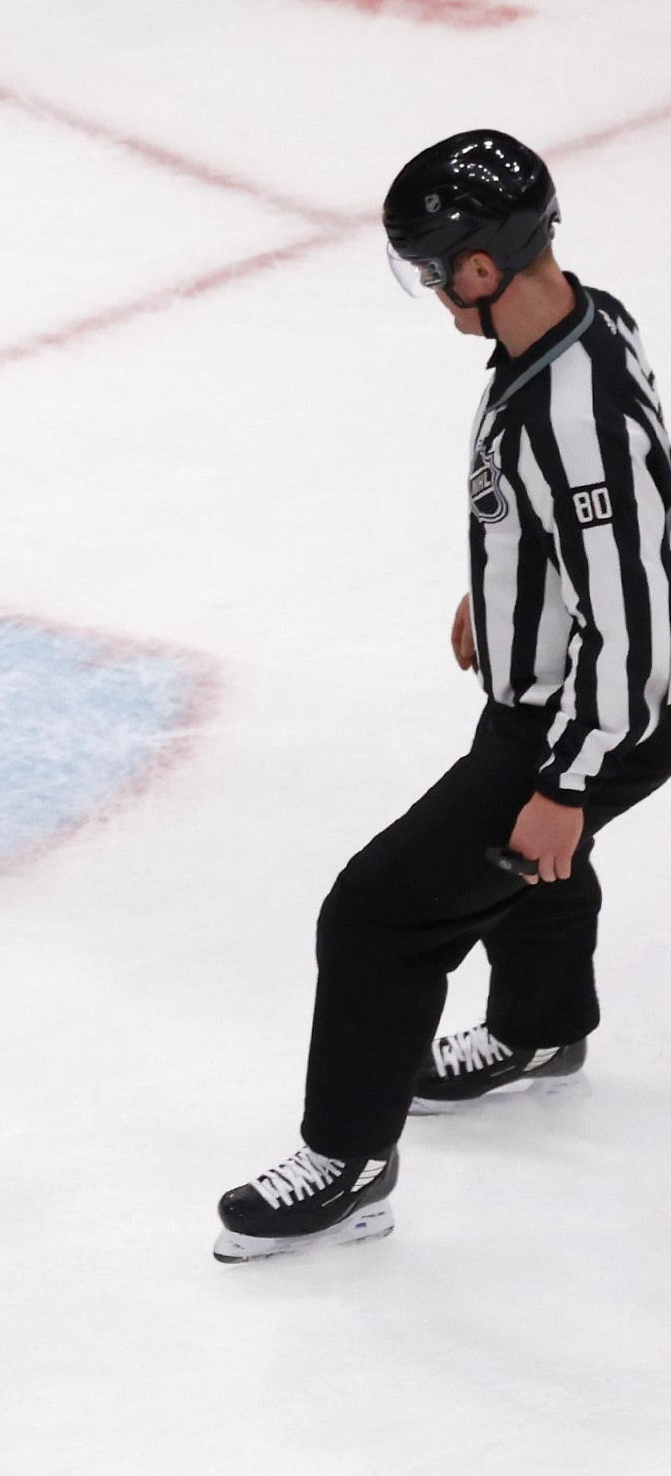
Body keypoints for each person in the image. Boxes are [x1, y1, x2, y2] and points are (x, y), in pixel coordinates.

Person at [216, 130, 671, 1262]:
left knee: (380, 913)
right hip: (567, 688)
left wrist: (567, 780)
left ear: (479, 267)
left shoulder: (577, 414)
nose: (430, 290)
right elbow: (600, 538)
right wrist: (507, 584)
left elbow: (640, 623)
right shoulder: (580, 317)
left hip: (597, 711)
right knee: (520, 856)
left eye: (432, 267)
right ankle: (539, 1025)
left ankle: (348, 1157)